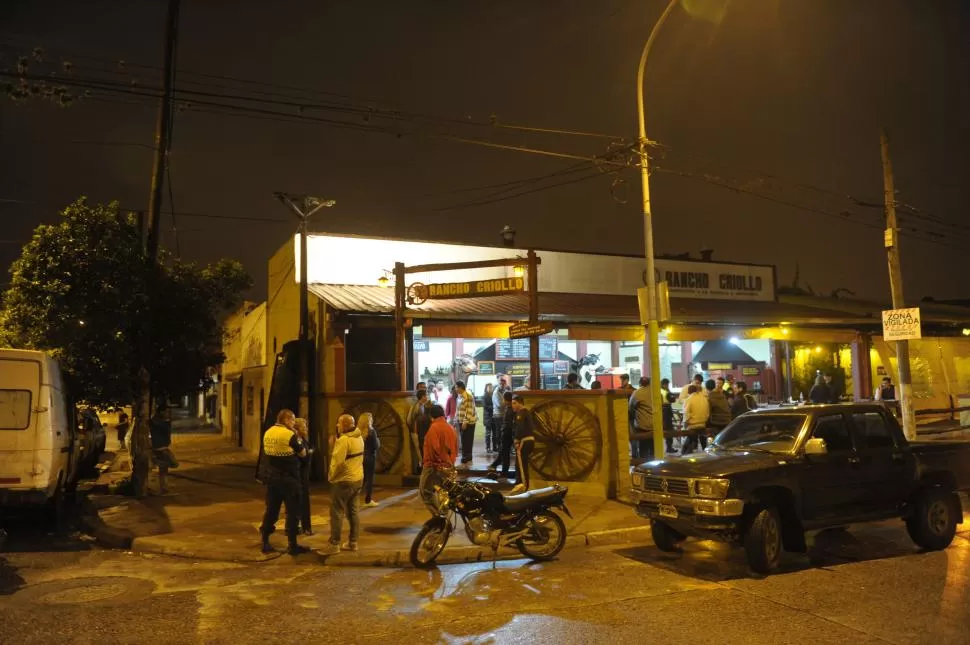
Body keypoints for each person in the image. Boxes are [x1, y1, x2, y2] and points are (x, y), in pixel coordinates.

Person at [259, 409, 309, 555]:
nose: (294, 423)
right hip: (290, 479)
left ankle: (265, 541)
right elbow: (303, 453)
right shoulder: (289, 434)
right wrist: (296, 435)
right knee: (293, 512)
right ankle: (292, 546)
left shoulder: (268, 432)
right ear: (287, 420)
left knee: (271, 511)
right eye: (293, 420)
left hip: (273, 478)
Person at [326, 414, 364, 553]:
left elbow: (338, 462)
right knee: (353, 512)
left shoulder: (344, 440)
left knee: (337, 512)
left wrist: (331, 477)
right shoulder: (359, 437)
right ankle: (353, 542)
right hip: (357, 479)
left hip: (344, 481)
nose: (337, 426)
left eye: (339, 423)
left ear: (345, 425)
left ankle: (334, 543)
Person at [420, 405, 458, 512]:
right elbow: (455, 449)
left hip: (433, 466)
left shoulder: (433, 428)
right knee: (445, 494)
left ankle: (439, 518)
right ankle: (444, 518)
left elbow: (433, 449)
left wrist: (437, 465)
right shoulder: (451, 428)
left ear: (431, 416)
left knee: (426, 492)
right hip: (448, 465)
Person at [486, 391, 516, 481]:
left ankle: (504, 472)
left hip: (507, 435)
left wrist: (503, 433)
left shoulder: (510, 410)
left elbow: (508, 424)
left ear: (506, 400)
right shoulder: (510, 409)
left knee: (504, 453)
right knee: (503, 452)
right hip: (508, 434)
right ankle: (494, 466)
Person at [510, 395, 535, 494]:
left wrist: (516, 439)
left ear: (520, 403)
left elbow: (519, 428)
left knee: (520, 466)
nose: (513, 406)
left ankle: (522, 486)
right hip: (529, 441)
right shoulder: (527, 413)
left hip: (524, 441)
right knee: (521, 464)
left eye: (514, 403)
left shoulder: (522, 413)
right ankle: (521, 486)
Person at [293, 418, 314, 535]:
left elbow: (309, 450)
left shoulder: (303, 439)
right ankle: (296, 526)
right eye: (303, 427)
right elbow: (304, 457)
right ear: (297, 429)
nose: (306, 429)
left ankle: (305, 526)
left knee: (304, 501)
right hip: (299, 475)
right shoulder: (296, 441)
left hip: (303, 474)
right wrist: (308, 454)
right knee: (297, 500)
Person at [150, 406, 177, 495]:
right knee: (163, 469)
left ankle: (164, 487)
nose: (167, 413)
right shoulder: (159, 422)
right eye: (165, 412)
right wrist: (168, 422)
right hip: (160, 448)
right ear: (161, 412)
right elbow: (165, 430)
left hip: (161, 447)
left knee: (163, 469)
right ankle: (163, 487)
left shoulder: (157, 420)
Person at [358, 412, 380, 508]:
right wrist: (378, 441)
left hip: (361, 457)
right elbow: (375, 446)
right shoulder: (372, 431)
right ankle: (368, 500)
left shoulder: (358, 431)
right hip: (370, 456)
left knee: (362, 479)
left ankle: (353, 498)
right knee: (370, 479)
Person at [629, 376, 654, 459]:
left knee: (643, 449)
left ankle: (645, 467)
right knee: (654, 449)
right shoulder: (656, 392)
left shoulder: (637, 393)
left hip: (642, 425)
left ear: (640, 383)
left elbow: (630, 407)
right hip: (655, 425)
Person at [407, 389, 432, 473]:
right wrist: (414, 430)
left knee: (420, 449)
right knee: (418, 450)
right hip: (416, 432)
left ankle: (422, 467)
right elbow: (410, 420)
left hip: (419, 431)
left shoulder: (421, 405)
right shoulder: (416, 406)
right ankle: (422, 467)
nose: (427, 397)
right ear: (422, 397)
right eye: (425, 395)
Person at [454, 381, 478, 468]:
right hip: (461, 421)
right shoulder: (459, 396)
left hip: (469, 422)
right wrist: (456, 419)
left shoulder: (468, 396)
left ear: (461, 387)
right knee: (464, 439)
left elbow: (469, 410)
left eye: (456, 387)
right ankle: (466, 457)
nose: (455, 389)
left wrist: (465, 421)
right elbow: (458, 409)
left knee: (468, 440)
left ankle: (467, 457)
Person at [682, 385, 711, 455]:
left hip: (692, 425)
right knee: (703, 438)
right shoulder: (704, 399)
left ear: (689, 391)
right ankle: (706, 452)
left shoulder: (689, 399)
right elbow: (708, 413)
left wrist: (685, 424)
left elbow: (686, 414)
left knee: (689, 439)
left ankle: (685, 453)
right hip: (703, 424)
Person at [705, 379, 732, 448]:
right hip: (727, 421)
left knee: (708, 432)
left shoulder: (710, 396)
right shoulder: (722, 395)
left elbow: (708, 412)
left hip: (716, 422)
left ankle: (711, 447)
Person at [660, 378, 676, 455]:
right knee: (670, 430)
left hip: (660, 412)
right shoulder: (666, 392)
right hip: (666, 412)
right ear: (664, 384)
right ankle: (669, 447)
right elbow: (673, 399)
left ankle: (665, 447)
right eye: (667, 384)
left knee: (663, 430)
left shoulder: (659, 391)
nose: (668, 386)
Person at [483, 382, 495, 456]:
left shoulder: (494, 395)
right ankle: (487, 447)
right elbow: (485, 406)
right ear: (486, 388)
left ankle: (494, 447)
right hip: (488, 417)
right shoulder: (484, 396)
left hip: (494, 416)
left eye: (491, 387)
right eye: (489, 387)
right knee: (488, 433)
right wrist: (493, 407)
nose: (491, 388)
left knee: (495, 433)